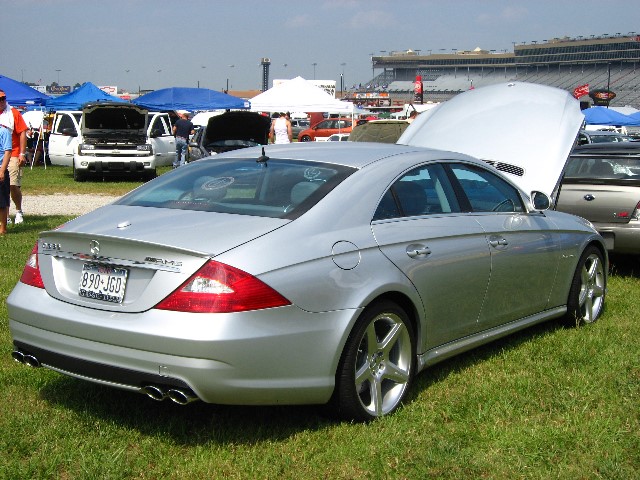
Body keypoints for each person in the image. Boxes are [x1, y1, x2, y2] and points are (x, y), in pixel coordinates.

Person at [0, 90, 28, 224]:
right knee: (2, 186)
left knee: (12, 184)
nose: (1, 101)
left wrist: (22, 153)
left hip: (13, 153)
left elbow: (22, 132)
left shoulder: (13, 113)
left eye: (3, 99)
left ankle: (18, 211)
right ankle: (5, 215)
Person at [0, 124, 12, 235]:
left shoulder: (4, 131)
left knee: (2, 201)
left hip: (0, 168)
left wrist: (2, 170)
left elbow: (8, 152)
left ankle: (2, 228)